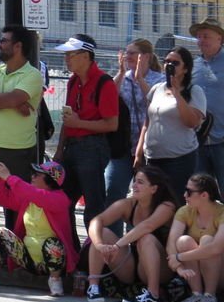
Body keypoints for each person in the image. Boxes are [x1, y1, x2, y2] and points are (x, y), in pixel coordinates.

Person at [0, 160, 76, 296]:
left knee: (53, 244)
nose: (32, 176)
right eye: (33, 173)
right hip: (28, 259)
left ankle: (55, 279)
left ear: (50, 180)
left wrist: (9, 178)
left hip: (52, 262)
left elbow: (37, 195)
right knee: (1, 233)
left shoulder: (60, 199)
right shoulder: (29, 196)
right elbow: (3, 198)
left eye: (37, 174)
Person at [0, 24, 44, 237]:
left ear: (18, 46)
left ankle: (16, 252)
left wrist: (0, 100)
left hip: (18, 151)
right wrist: (11, 101)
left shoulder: (32, 75)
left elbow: (2, 98)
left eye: (4, 41)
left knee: (17, 200)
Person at [54, 34, 119, 244]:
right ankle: (72, 250)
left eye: (71, 54)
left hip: (92, 148)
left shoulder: (104, 82)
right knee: (63, 202)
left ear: (85, 56)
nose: (67, 58)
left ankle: (93, 253)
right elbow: (68, 119)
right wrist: (59, 151)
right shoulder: (73, 81)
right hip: (71, 148)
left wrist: (79, 124)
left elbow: (111, 124)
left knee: (93, 204)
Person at [85, 166, 177, 302]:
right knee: (102, 233)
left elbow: (148, 226)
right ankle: (94, 287)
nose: (134, 185)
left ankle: (153, 294)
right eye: (134, 181)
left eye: (140, 182)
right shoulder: (128, 204)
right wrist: (99, 245)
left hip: (162, 268)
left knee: (146, 237)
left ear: (153, 189)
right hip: (132, 266)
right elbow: (97, 220)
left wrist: (117, 245)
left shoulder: (167, 206)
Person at [135, 47, 205, 202]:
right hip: (153, 158)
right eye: (166, 61)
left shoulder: (194, 91)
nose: (169, 65)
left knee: (173, 203)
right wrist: (139, 152)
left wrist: (177, 94)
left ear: (185, 69)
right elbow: (148, 121)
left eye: (175, 63)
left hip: (179, 160)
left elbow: (192, 122)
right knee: (151, 203)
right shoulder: (156, 89)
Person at [109, 39, 164, 209]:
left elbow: (156, 103)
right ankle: (112, 234)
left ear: (146, 56)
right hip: (124, 145)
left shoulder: (159, 79)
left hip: (149, 147)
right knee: (113, 188)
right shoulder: (123, 78)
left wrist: (140, 79)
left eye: (132, 53)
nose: (128, 56)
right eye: (126, 52)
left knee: (145, 196)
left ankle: (137, 233)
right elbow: (109, 96)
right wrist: (120, 72)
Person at [166, 173, 224, 302]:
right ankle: (196, 294)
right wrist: (179, 267)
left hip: (220, 273)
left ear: (204, 195)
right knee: (183, 241)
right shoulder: (185, 211)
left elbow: (216, 248)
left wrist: (179, 257)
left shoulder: (222, 212)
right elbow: (171, 243)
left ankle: (210, 296)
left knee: (207, 240)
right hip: (196, 270)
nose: (185, 195)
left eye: (190, 192)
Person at [190, 18, 224, 190]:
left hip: (222, 139)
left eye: (206, 36)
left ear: (220, 38)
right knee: (200, 193)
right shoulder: (192, 66)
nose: (201, 40)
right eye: (199, 37)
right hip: (198, 141)